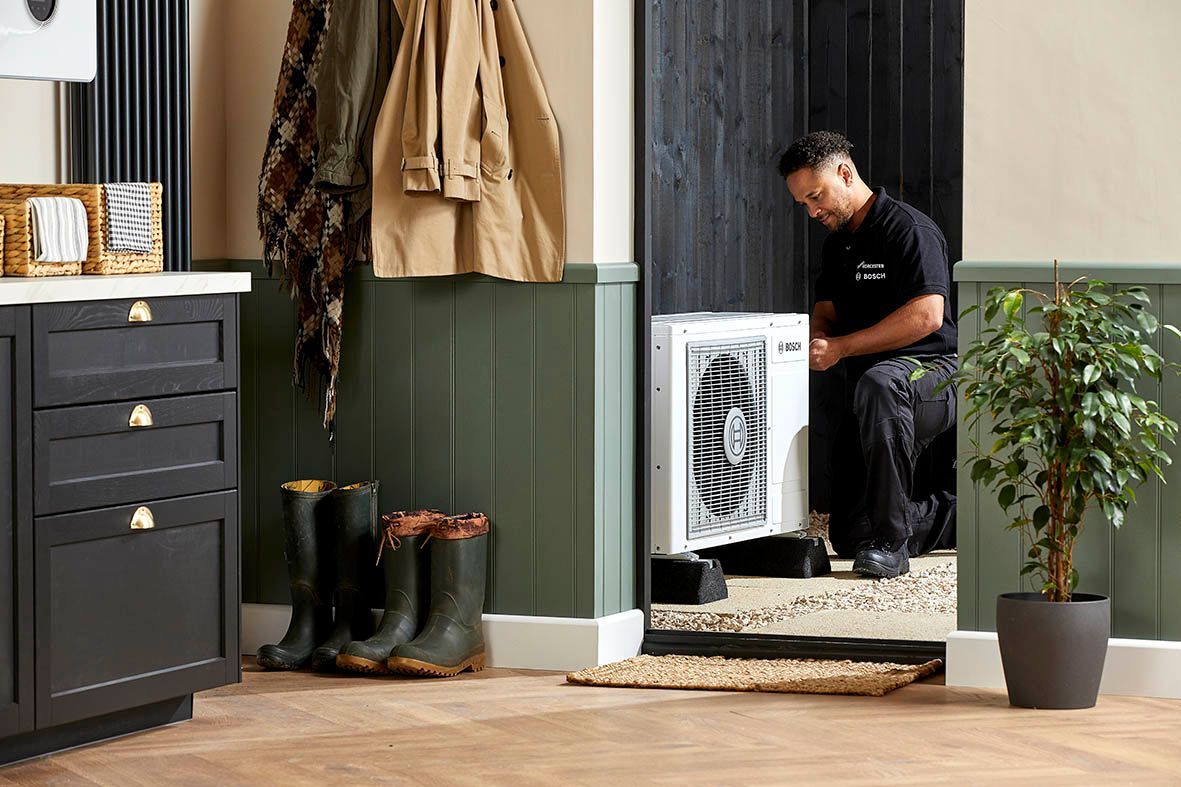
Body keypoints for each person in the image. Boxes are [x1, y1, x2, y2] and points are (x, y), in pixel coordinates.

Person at [779, 131, 957, 578]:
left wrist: (841, 348)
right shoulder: (837, 243)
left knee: (880, 382)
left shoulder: (909, 229)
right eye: (803, 204)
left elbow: (927, 316)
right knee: (849, 533)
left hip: (934, 374)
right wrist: (821, 337)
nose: (812, 210)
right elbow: (826, 310)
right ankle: (954, 517)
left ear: (845, 173)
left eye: (816, 196)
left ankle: (893, 546)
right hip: (876, 387)